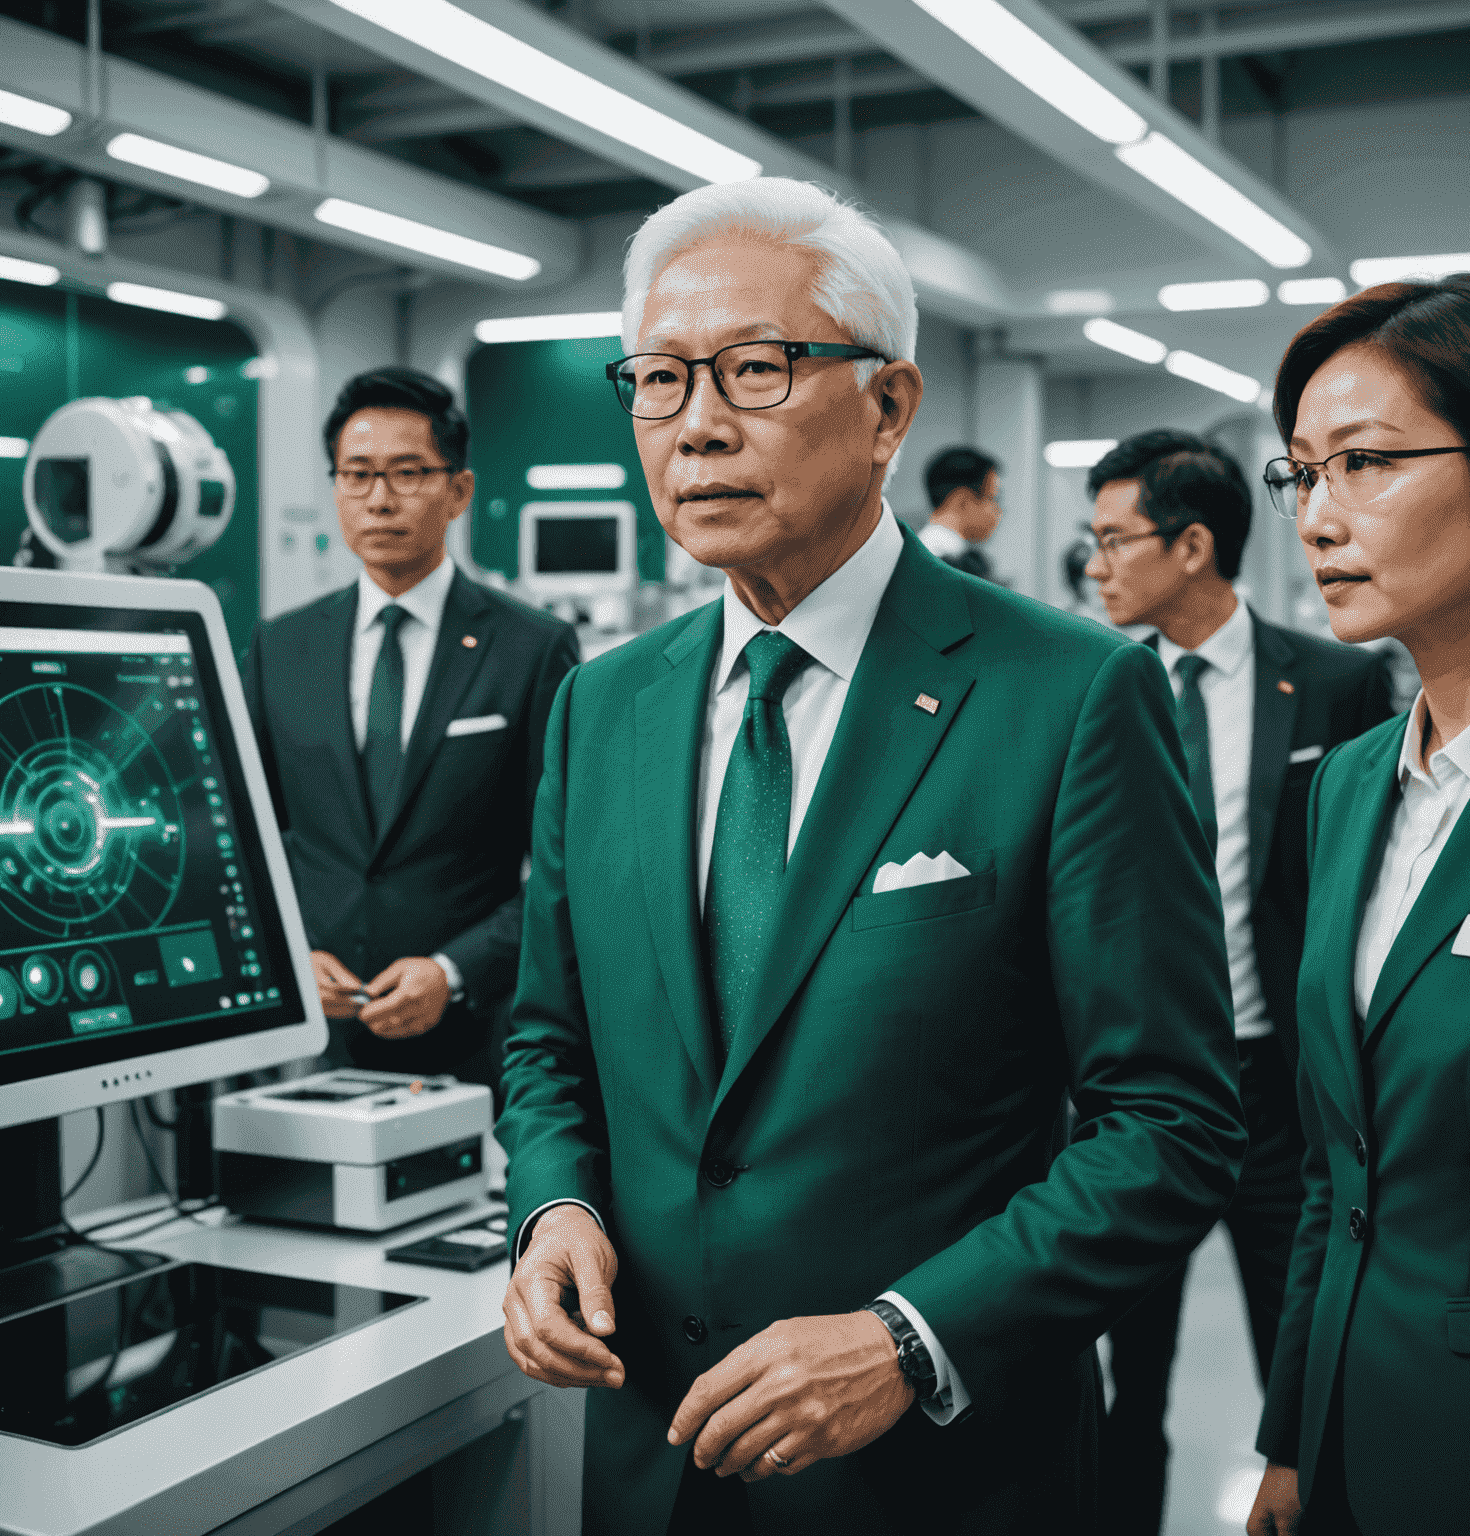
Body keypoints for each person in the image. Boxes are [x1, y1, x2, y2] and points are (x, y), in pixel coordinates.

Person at [497, 176, 1246, 1535]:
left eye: (757, 371)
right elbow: (551, 1038)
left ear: (890, 407)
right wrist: (552, 1211)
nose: (698, 426)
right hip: (653, 1453)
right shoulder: (602, 706)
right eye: (659, 381)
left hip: (942, 1477)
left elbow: (1172, 1123)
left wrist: (910, 1337)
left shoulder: (1066, 696)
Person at [1245, 273, 1470, 1536]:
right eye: (1302, 474)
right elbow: (1333, 1165)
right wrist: (1294, 1441)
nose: (1318, 517)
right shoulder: (1352, 783)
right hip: (1353, 1442)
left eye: (1364, 464)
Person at [1081, 432, 1393, 1534]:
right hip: (1134, 1097)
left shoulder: (1340, 680)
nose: (1094, 566)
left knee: (1300, 1371)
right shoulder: (1091, 691)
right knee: (1121, 1381)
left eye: (1114, 541)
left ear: (1195, 545)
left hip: (1280, 1098)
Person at [242, 366, 577, 1095]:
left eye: (407, 473)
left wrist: (455, 971)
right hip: (315, 1034)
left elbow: (566, 862)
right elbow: (247, 836)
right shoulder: (281, 647)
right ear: (335, 488)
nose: (379, 499)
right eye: (357, 474)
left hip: (474, 1031)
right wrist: (286, 949)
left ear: (458, 491)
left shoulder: (530, 648)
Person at [917, 446, 1002, 577]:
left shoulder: (923, 551)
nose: (999, 512)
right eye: (994, 499)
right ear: (963, 501)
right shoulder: (940, 562)